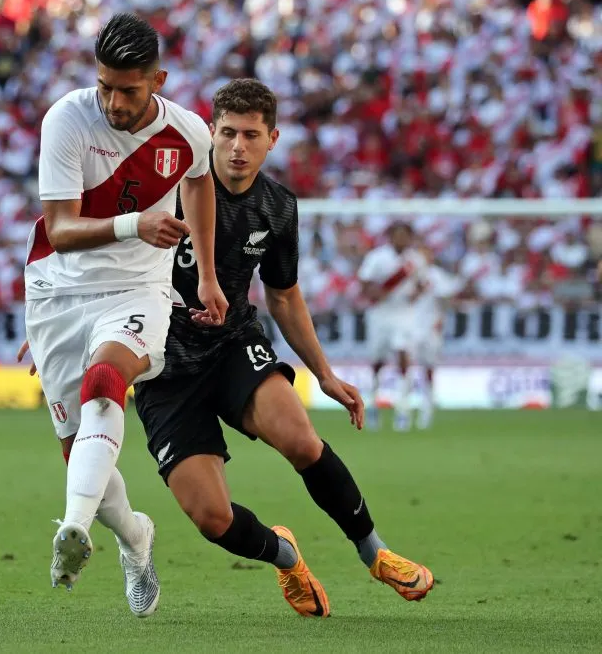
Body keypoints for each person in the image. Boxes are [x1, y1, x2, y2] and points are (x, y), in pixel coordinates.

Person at [131, 79, 433, 617]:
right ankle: (286, 556)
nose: (237, 146)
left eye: (250, 134)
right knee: (211, 518)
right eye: (226, 133)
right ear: (210, 133)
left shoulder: (277, 207)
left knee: (301, 439)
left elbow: (285, 296)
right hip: (162, 365)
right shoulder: (167, 188)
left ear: (272, 138)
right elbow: (106, 264)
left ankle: (377, 553)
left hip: (232, 345)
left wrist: (325, 374)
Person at [21, 12, 226, 617]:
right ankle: (135, 539)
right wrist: (136, 223)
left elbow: (200, 182)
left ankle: (72, 530)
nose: (112, 101)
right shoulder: (66, 118)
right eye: (105, 85)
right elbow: (58, 231)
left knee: (105, 385)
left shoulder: (189, 132)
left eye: (128, 90)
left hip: (137, 289)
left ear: (157, 79)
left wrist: (208, 276)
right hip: (59, 294)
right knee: (77, 445)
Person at [357, 221, 428, 431]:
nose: (401, 240)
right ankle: (372, 403)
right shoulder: (377, 257)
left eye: (405, 235)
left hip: (404, 313)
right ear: (391, 237)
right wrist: (375, 293)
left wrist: (415, 294)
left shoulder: (415, 260)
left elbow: (423, 283)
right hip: (380, 313)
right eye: (398, 235)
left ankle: (402, 408)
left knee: (403, 354)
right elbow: (364, 281)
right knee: (377, 361)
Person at [412, 244, 467, 429]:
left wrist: (441, 316)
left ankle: (427, 407)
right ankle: (403, 409)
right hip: (409, 328)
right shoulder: (408, 275)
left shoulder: (436, 275)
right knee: (405, 367)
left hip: (428, 328)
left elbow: (447, 296)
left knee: (428, 369)